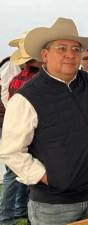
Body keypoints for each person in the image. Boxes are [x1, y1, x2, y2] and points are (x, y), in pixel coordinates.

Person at [0, 17, 88, 225]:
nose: (70, 55)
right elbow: (11, 151)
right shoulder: (26, 98)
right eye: (61, 48)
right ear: (45, 55)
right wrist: (50, 176)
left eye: (76, 49)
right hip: (53, 206)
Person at [0, 36, 41, 225]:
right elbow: (8, 100)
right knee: (15, 174)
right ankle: (9, 216)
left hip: (18, 126)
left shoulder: (19, 77)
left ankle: (18, 211)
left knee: (19, 173)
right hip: (21, 128)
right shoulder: (30, 78)